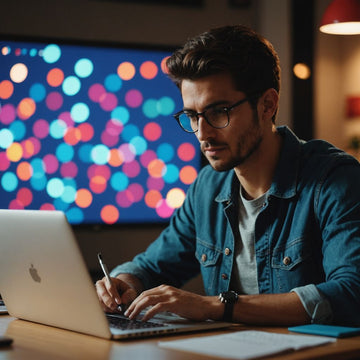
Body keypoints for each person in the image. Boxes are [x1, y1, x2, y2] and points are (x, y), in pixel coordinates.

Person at [96, 25, 360, 327]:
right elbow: (150, 267)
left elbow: (351, 293)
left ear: (267, 105)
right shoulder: (207, 188)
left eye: (219, 112)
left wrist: (217, 306)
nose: (202, 133)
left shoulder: (335, 180)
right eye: (193, 116)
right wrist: (122, 282)